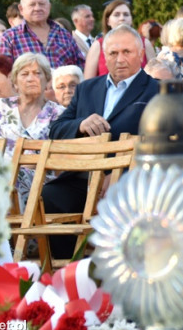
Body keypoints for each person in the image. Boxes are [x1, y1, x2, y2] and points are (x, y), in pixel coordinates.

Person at [46, 24, 161, 257]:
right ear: (104, 57)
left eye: (127, 52)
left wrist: (123, 172)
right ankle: (67, 273)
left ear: (140, 54)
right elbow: (56, 129)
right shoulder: (86, 89)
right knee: (50, 197)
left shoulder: (158, 91)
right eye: (113, 53)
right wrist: (80, 124)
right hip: (82, 178)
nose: (120, 59)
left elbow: (169, 139)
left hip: (131, 178)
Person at [0, 53, 65, 207]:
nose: (31, 78)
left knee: (6, 176)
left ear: (47, 80)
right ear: (15, 82)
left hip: (39, 183)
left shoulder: (59, 113)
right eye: (24, 74)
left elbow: (59, 160)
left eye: (38, 73)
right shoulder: (0, 107)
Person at [0, 0, 84, 70]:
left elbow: (80, 68)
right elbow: (3, 73)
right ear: (21, 9)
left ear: (49, 7)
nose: (37, 8)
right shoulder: (9, 38)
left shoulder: (65, 35)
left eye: (42, 4)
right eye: (32, 5)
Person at [83, 0, 155, 78]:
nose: (122, 18)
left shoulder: (145, 43)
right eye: (116, 15)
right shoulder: (98, 46)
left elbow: (155, 75)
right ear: (108, 21)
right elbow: (88, 83)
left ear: (131, 19)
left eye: (126, 14)